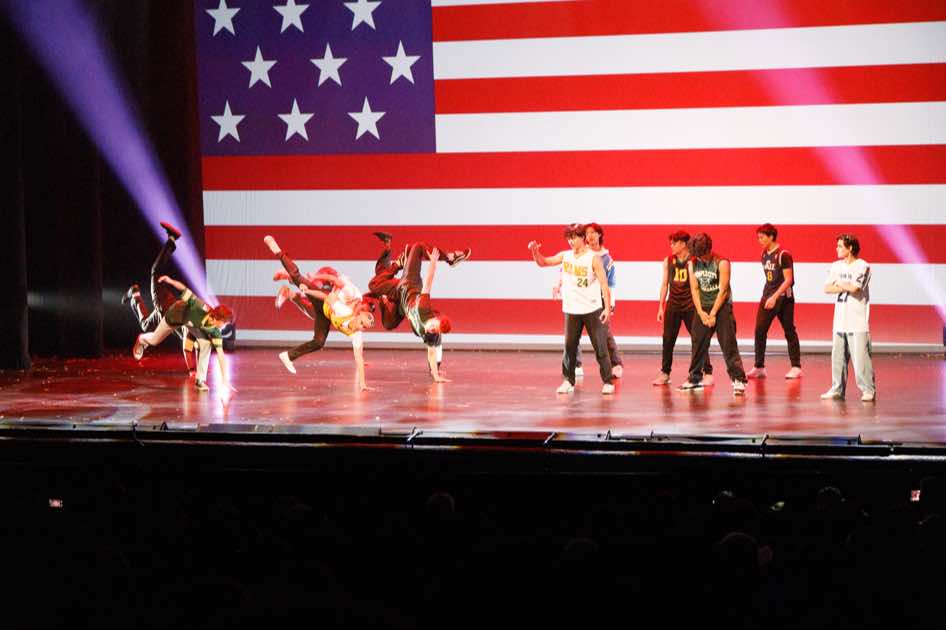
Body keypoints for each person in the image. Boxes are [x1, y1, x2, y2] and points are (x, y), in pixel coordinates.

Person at [264, 235, 375, 390]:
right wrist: (308, 291)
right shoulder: (346, 307)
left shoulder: (357, 335)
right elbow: (325, 295)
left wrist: (363, 384)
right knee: (298, 278)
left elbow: (359, 358)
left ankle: (288, 356)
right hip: (324, 296)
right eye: (361, 322)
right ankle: (277, 251)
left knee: (319, 341)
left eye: (363, 327)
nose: (360, 327)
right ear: (358, 314)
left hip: (325, 315)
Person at [366, 233, 470, 380]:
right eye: (434, 326)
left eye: (434, 331)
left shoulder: (431, 335)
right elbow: (428, 282)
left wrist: (435, 374)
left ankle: (397, 269)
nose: (431, 329)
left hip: (401, 305)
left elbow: (432, 353)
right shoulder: (424, 308)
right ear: (435, 319)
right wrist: (433, 262)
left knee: (388, 323)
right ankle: (450, 258)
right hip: (409, 284)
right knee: (418, 247)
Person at [529, 223, 615, 395]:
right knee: (569, 348)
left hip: (592, 309)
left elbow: (604, 285)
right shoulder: (565, 256)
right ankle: (568, 380)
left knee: (600, 347)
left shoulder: (593, 258)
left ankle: (608, 382)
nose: (571, 241)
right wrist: (535, 251)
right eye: (569, 238)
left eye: (574, 237)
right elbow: (543, 262)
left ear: (583, 238)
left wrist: (607, 308)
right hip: (571, 309)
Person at [131, 276, 235, 392]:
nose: (224, 326)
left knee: (206, 344)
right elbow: (184, 289)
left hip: (191, 324)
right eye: (225, 323)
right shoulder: (200, 307)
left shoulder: (215, 331)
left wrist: (225, 380)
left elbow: (221, 355)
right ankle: (141, 339)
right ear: (217, 319)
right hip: (176, 315)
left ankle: (200, 381)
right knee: (154, 340)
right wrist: (170, 281)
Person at [122, 221, 198, 375]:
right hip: (166, 305)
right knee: (155, 272)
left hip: (167, 314)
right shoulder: (197, 326)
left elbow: (190, 349)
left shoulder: (196, 335)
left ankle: (135, 294)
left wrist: (194, 370)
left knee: (145, 325)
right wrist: (193, 371)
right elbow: (188, 349)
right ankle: (172, 239)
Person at [678, 233, 748, 395]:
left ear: (708, 249)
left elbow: (723, 291)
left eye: (701, 255)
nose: (699, 258)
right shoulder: (693, 264)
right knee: (698, 343)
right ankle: (694, 378)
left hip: (721, 307)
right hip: (703, 307)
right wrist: (701, 313)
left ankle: (738, 379)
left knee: (728, 343)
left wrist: (714, 313)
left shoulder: (722, 263)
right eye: (696, 255)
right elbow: (695, 289)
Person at [559, 223, 624, 379]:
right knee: (573, 335)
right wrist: (558, 284)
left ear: (599, 235)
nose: (590, 236)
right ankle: (576, 365)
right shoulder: (577, 254)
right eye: (587, 233)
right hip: (579, 298)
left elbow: (610, 283)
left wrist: (610, 304)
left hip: (599, 300)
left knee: (604, 334)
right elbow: (565, 271)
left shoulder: (605, 258)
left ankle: (615, 363)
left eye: (594, 233)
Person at [653, 230, 713, 386]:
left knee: (699, 339)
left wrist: (703, 308)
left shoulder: (694, 260)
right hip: (673, 305)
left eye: (674, 243)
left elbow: (700, 285)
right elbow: (664, 285)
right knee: (667, 340)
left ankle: (707, 372)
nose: (671, 246)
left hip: (690, 306)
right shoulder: (668, 261)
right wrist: (660, 307)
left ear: (683, 244)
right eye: (671, 243)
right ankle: (665, 373)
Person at [821, 234, 875, 401]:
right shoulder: (836, 266)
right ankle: (837, 389)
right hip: (839, 320)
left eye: (840, 246)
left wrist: (839, 284)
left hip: (857, 321)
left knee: (861, 359)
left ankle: (868, 389)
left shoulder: (863, 266)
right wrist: (844, 285)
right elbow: (827, 288)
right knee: (837, 358)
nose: (837, 249)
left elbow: (855, 288)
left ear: (850, 248)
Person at [746, 223, 802, 379]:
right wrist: (769, 296)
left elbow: (789, 280)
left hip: (784, 298)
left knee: (789, 330)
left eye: (762, 237)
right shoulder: (764, 254)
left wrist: (775, 296)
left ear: (771, 237)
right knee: (759, 330)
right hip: (768, 295)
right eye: (758, 238)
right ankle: (759, 367)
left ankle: (796, 367)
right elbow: (770, 279)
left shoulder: (783, 254)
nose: (759, 240)